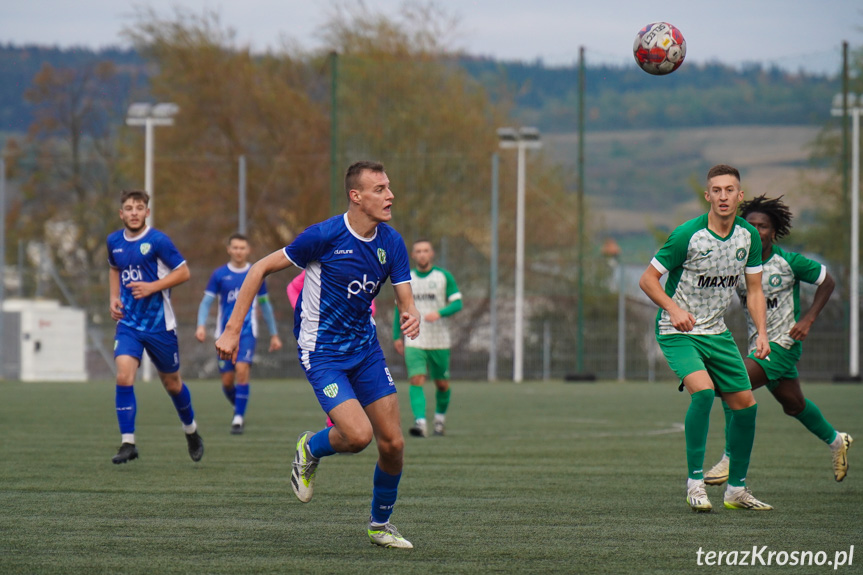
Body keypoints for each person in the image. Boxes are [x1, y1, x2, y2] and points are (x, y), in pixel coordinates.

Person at [215, 161, 421, 549]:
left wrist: (411, 316)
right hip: (322, 353)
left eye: (389, 187)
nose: (390, 195)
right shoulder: (323, 236)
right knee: (358, 436)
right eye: (380, 189)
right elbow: (259, 268)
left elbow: (405, 298)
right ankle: (310, 447)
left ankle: (380, 525)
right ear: (355, 197)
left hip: (366, 351)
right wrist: (232, 328)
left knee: (393, 445)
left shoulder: (391, 242)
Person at [639, 164, 772, 512]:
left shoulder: (748, 237)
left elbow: (755, 290)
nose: (724, 196)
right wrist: (673, 309)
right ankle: (695, 484)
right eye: (717, 190)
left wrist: (761, 332)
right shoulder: (688, 235)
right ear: (707, 195)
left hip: (717, 332)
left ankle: (736, 491)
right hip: (678, 331)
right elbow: (648, 280)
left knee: (745, 406)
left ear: (739, 196)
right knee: (704, 393)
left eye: (730, 190)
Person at [704, 195, 853, 484]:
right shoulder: (737, 263)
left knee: (729, 384)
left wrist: (808, 319)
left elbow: (828, 281)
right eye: (751, 225)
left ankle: (729, 458)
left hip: (782, 345)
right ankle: (837, 441)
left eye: (763, 226)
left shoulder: (788, 262)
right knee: (794, 405)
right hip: (757, 346)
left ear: (773, 231)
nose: (757, 230)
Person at [107, 189, 204, 464]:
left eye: (139, 208)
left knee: (172, 384)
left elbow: (183, 271)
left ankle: (191, 431)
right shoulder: (113, 241)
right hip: (128, 324)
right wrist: (114, 298)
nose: (134, 212)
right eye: (129, 208)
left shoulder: (158, 241)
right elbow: (114, 267)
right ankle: (128, 442)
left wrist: (152, 286)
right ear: (121, 213)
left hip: (160, 325)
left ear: (147, 212)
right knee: (124, 376)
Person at [195, 233, 283, 435]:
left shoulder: (256, 273)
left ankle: (238, 418)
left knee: (242, 370)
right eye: (235, 247)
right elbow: (207, 302)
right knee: (227, 382)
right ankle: (239, 405)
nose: (238, 251)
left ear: (248, 250)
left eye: (242, 248)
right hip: (224, 334)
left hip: (247, 332)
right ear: (229, 249)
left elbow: (265, 305)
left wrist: (274, 334)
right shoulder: (219, 275)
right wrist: (200, 325)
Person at [288, 269, 376, 429]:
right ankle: (333, 426)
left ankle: (340, 427)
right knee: (336, 383)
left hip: (356, 340)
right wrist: (303, 311)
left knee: (357, 385)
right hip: (326, 343)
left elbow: (371, 303)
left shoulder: (362, 266)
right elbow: (292, 288)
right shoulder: (323, 265)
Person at [393, 240, 462, 437]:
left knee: (442, 384)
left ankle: (439, 421)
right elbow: (400, 307)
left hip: (439, 339)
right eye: (418, 251)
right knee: (416, 378)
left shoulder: (443, 277)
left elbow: (457, 304)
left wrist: (439, 313)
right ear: (413, 256)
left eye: (425, 251)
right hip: (415, 338)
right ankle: (420, 423)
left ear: (432, 254)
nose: (422, 254)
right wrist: (397, 336)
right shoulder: (407, 278)